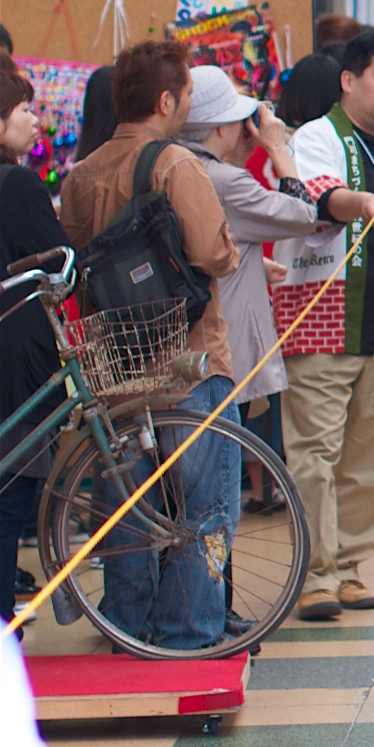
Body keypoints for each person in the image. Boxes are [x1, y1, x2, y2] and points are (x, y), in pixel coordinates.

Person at [59, 40, 242, 649]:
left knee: (128, 514)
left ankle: (127, 628)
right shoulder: (175, 164)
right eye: (187, 94)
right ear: (167, 100)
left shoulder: (80, 176)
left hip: (116, 368)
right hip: (189, 363)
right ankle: (185, 632)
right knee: (202, 511)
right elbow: (213, 253)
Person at [269, 30, 374, 621]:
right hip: (326, 317)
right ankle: (315, 574)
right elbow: (317, 199)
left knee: (369, 456)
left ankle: (348, 567)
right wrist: (355, 202)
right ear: (349, 81)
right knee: (314, 450)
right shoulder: (317, 137)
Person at [175, 68, 374, 508]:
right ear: (219, 126)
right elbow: (305, 212)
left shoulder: (178, 166)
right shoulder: (225, 180)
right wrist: (276, 148)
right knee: (214, 502)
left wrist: (251, 261)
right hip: (219, 350)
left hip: (180, 345)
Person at [0, 58, 67, 619]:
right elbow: (59, 257)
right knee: (10, 495)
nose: (35, 120)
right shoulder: (16, 182)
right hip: (14, 356)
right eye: (24, 108)